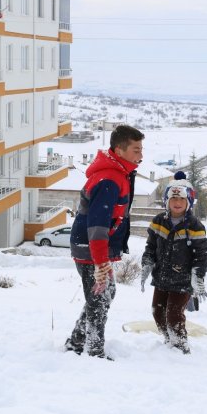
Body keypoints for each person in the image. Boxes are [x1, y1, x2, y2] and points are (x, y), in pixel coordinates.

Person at [64, 125, 145, 360]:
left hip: (96, 248)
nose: (140, 155)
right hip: (91, 248)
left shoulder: (118, 173)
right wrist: (100, 261)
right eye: (136, 150)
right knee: (99, 299)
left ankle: (78, 341)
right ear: (119, 150)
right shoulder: (109, 179)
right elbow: (97, 224)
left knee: (104, 293)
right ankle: (93, 351)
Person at [141, 172, 207, 354]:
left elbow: (202, 255)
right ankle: (168, 340)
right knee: (157, 311)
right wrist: (147, 263)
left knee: (173, 315)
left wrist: (198, 276)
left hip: (182, 281)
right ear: (166, 201)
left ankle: (180, 346)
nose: (177, 202)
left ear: (188, 202)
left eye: (181, 199)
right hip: (162, 278)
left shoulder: (194, 226)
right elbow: (150, 246)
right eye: (173, 198)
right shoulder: (158, 222)